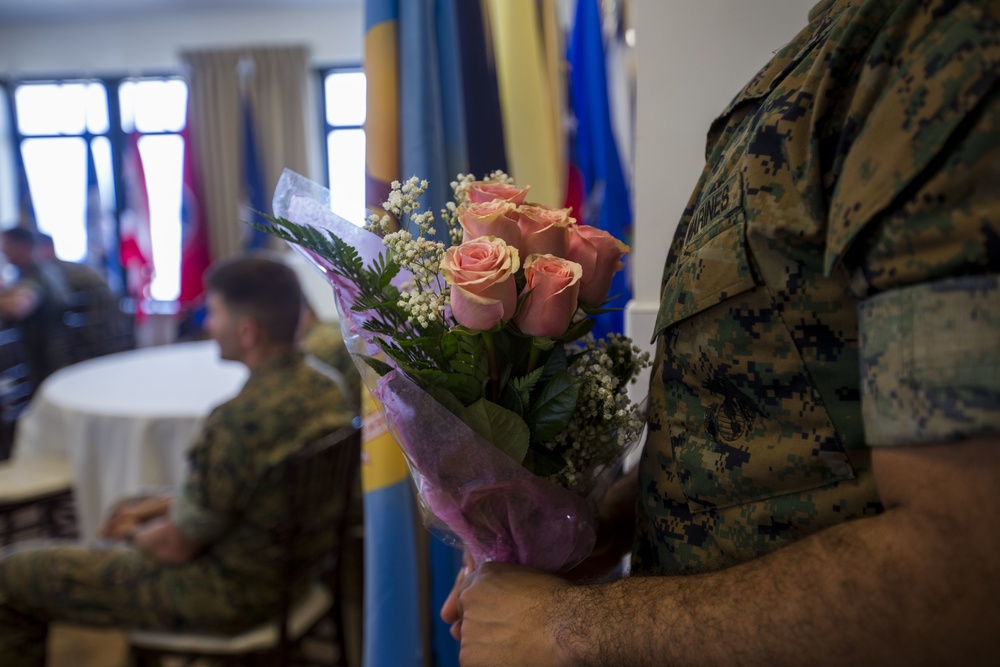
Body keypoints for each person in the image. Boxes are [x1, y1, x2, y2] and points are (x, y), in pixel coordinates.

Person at [442, 0, 1000, 664]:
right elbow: (750, 416)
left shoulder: (939, 39)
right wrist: (581, 533)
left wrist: (569, 627)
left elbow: (967, 564)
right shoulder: (825, 50)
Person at [0, 255, 356, 667]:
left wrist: (132, 533)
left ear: (248, 331)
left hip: (224, 595)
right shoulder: (326, 387)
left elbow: (173, 547)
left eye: (215, 313)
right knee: (130, 503)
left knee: (11, 575)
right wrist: (147, 510)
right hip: (293, 573)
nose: (207, 324)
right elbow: (241, 491)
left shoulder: (238, 421)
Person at [35, 233, 134, 360]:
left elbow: (63, 301)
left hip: (95, 331)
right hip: (112, 329)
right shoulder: (69, 267)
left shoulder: (53, 270)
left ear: (46, 248)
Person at [0, 227, 70, 385]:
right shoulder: (47, 269)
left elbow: (18, 306)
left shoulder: (36, 273)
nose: (3, 250)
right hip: (57, 354)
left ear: (22, 246)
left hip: (44, 362)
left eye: (6, 245)